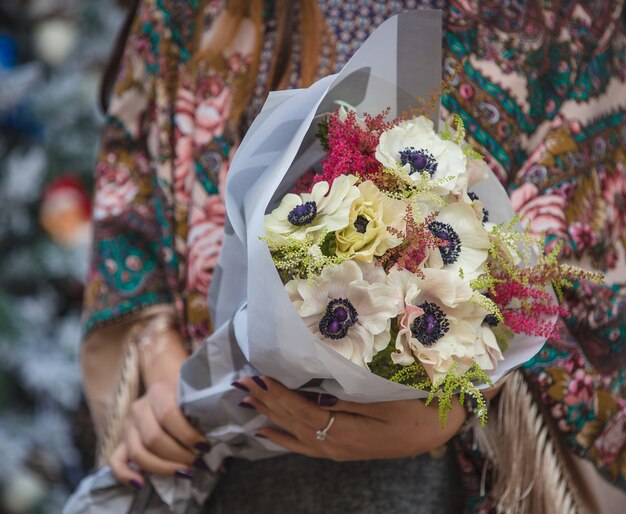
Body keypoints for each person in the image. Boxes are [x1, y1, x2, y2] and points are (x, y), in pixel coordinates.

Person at [81, 1, 626, 513]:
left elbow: (594, 263)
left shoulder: (567, 18)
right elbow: (130, 194)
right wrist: (162, 368)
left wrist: (454, 411)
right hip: (209, 457)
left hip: (438, 479)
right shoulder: (198, 11)